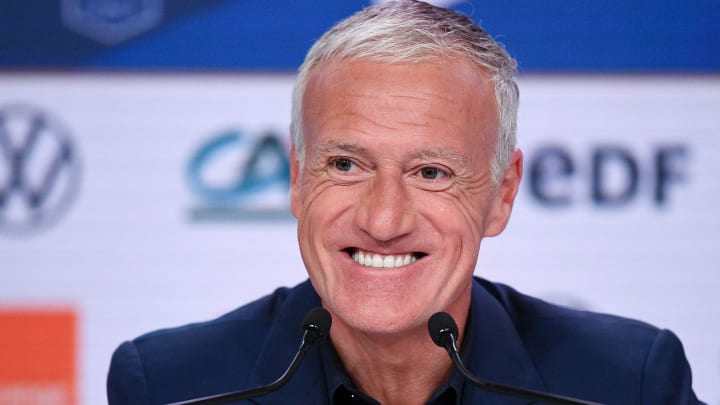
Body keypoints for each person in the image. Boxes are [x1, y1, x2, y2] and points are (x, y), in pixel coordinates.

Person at [107, 1, 703, 404]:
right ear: (296, 178)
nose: (383, 220)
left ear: (502, 194)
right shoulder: (172, 386)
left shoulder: (627, 384)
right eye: (346, 165)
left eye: (431, 172)